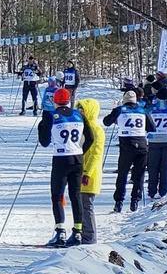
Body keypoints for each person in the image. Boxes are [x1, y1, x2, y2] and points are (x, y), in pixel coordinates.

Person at [38, 87, 93, 247]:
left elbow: (44, 142)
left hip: (61, 159)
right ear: (69, 101)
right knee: (75, 196)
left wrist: (42, 126)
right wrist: (81, 150)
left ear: (54, 101)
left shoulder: (51, 116)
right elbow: (90, 138)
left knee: (58, 196)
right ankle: (77, 232)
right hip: (77, 158)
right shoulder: (79, 114)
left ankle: (60, 232)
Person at [103, 90, 154, 213]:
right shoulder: (143, 110)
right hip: (142, 144)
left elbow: (106, 122)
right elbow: (152, 127)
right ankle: (135, 200)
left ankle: (119, 201)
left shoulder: (120, 110)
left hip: (126, 145)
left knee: (123, 173)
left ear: (125, 100)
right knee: (139, 174)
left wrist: (116, 118)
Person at [76, 96, 104, 245]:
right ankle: (80, 233)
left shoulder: (96, 129)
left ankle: (90, 236)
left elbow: (95, 155)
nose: (80, 112)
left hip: (89, 174)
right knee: (80, 204)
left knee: (86, 205)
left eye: (82, 110)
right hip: (80, 170)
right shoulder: (83, 127)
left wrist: (87, 172)